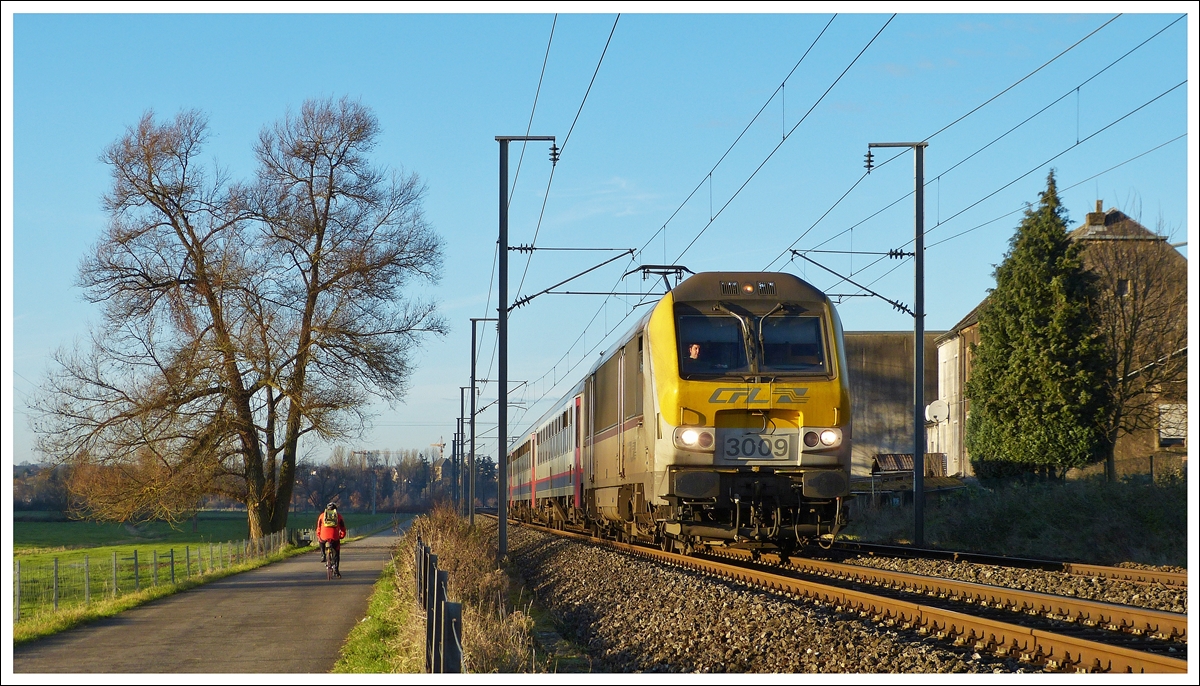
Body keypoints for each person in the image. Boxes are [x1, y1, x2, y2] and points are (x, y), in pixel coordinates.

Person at [316, 502, 347, 577]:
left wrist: (319, 536)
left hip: (324, 537)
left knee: (321, 540)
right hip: (334, 537)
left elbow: (318, 528)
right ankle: (336, 570)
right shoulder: (339, 516)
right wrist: (341, 536)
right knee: (337, 552)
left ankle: (323, 554)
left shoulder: (322, 516)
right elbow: (343, 528)